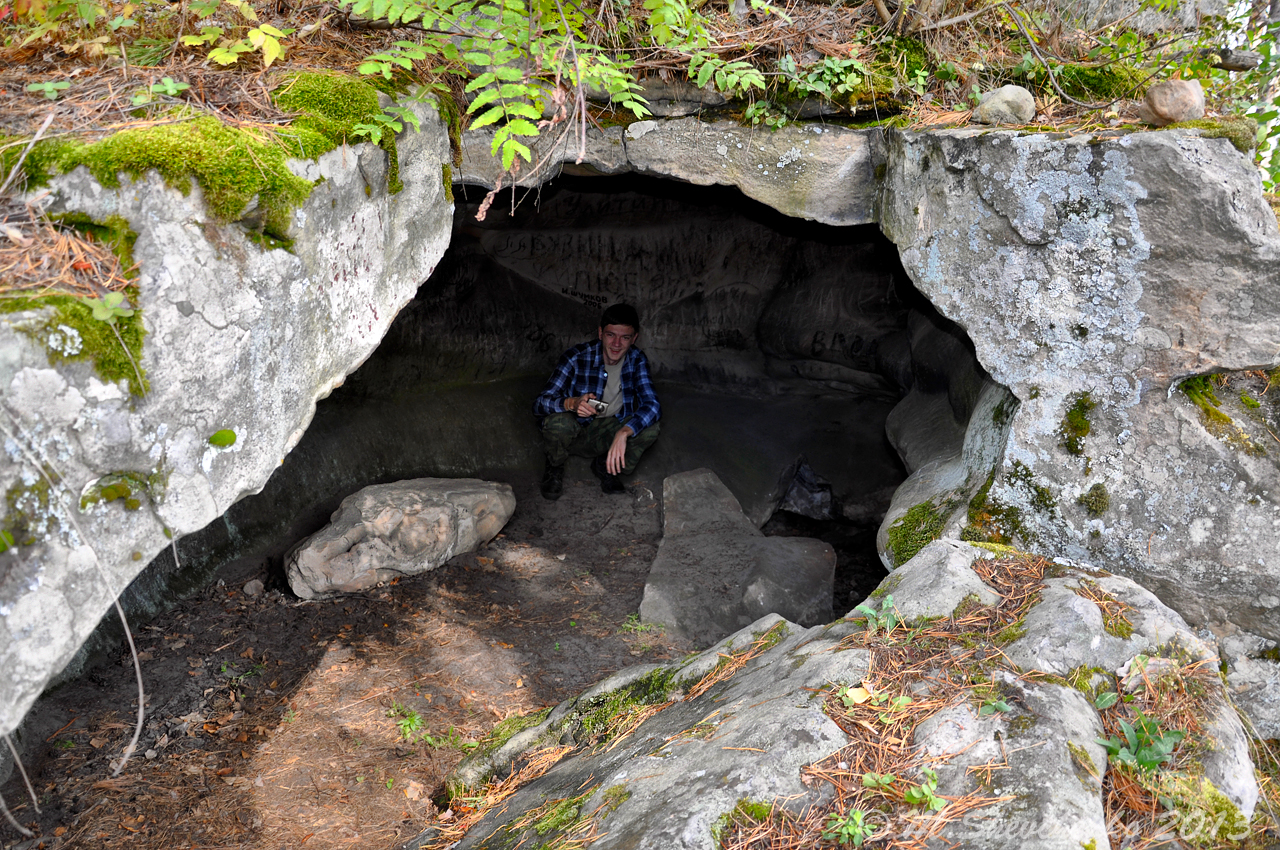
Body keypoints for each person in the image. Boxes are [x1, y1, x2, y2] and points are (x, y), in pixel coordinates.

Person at [533, 304, 661, 500]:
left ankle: (606, 465)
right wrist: (572, 403)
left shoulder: (637, 360)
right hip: (576, 432)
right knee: (558, 423)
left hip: (609, 431)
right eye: (611, 335)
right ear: (601, 333)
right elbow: (539, 404)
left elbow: (652, 405)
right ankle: (555, 466)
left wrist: (624, 432)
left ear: (634, 338)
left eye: (625, 337)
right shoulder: (576, 357)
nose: (617, 344)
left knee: (650, 427)